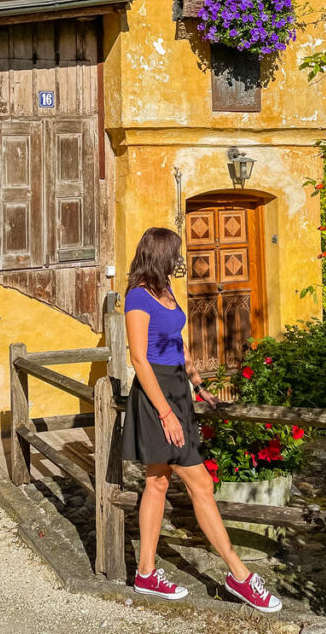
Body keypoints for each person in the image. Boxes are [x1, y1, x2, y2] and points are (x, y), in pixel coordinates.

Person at [121, 226, 282, 613]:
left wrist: (197, 383)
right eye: (175, 253)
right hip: (155, 393)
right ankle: (240, 576)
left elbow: (179, 342)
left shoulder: (166, 291)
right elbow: (139, 359)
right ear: (159, 255)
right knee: (201, 485)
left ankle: (145, 573)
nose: (180, 259)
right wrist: (165, 413)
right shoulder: (137, 299)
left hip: (177, 387)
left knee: (157, 483)